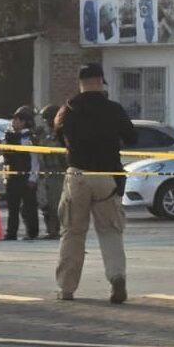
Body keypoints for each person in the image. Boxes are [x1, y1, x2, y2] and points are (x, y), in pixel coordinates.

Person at [54, 64, 137, 303]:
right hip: (106, 176)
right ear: (100, 81)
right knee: (110, 231)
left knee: (72, 232)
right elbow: (132, 137)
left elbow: (59, 138)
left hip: (77, 175)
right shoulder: (114, 109)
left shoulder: (66, 111)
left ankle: (67, 288)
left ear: (80, 83)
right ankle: (117, 277)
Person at [2, 106, 40, 241]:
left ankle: (32, 232)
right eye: (13, 119)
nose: (14, 122)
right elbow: (1, 153)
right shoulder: (8, 136)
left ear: (25, 122)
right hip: (12, 176)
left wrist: (33, 178)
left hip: (26, 176)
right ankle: (11, 233)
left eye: (17, 119)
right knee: (12, 207)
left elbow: (35, 159)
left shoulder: (29, 138)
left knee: (29, 207)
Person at [37, 104, 65, 240]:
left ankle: (57, 230)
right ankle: (51, 230)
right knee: (45, 204)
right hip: (45, 171)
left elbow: (57, 149)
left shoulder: (61, 133)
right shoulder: (44, 133)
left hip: (58, 172)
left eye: (48, 118)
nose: (46, 122)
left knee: (56, 203)